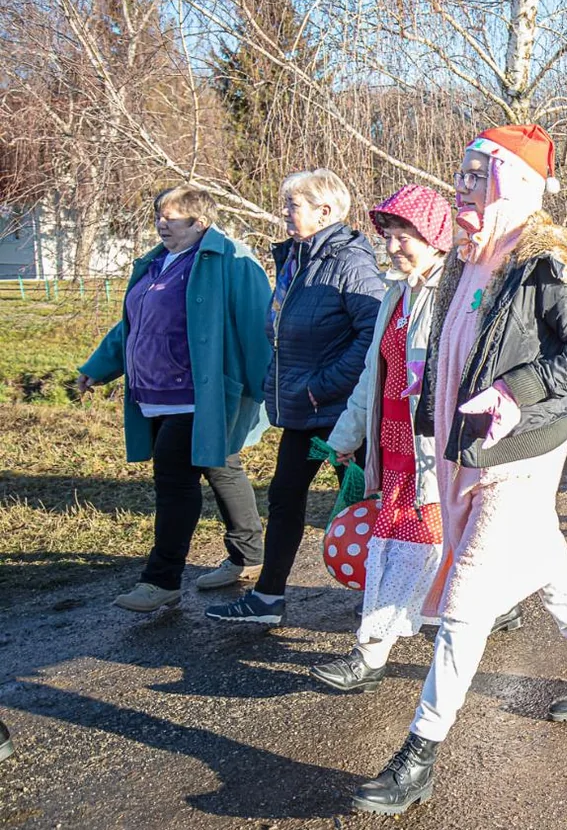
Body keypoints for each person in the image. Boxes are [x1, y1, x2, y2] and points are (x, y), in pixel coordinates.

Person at [353, 124, 567, 816]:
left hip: (525, 452)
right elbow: (446, 356)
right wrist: (423, 433)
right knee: (546, 558)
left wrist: (514, 392)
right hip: (465, 447)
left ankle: (419, 756)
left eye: (479, 173)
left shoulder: (541, 265)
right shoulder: (468, 260)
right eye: (463, 170)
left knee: (469, 595)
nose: (462, 183)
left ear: (513, 184)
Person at [307, 186, 521, 691]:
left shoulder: (456, 293)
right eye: (391, 236)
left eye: (407, 236)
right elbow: (371, 374)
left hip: (437, 447)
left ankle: (373, 652)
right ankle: (383, 645)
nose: (395, 246)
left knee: (427, 540)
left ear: (436, 238)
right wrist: (346, 435)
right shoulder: (394, 296)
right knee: (414, 542)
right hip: (396, 443)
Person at [78, 185, 271, 612]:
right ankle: (249, 555)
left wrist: (268, 390)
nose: (162, 223)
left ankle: (161, 580)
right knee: (222, 467)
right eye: (159, 216)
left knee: (174, 482)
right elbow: (133, 323)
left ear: (200, 221)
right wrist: (98, 366)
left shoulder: (229, 259)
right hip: (154, 393)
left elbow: (258, 324)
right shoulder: (156, 262)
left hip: (200, 395)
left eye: (173, 216)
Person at [206, 169, 384, 625]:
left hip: (343, 411)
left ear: (325, 211)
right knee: (285, 498)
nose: (285, 213)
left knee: (376, 502)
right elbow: (283, 332)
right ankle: (267, 599)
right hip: (304, 409)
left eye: (294, 205)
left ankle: (410, 599)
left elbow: (374, 335)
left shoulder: (351, 262)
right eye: (286, 204)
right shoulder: (296, 259)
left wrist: (323, 384)